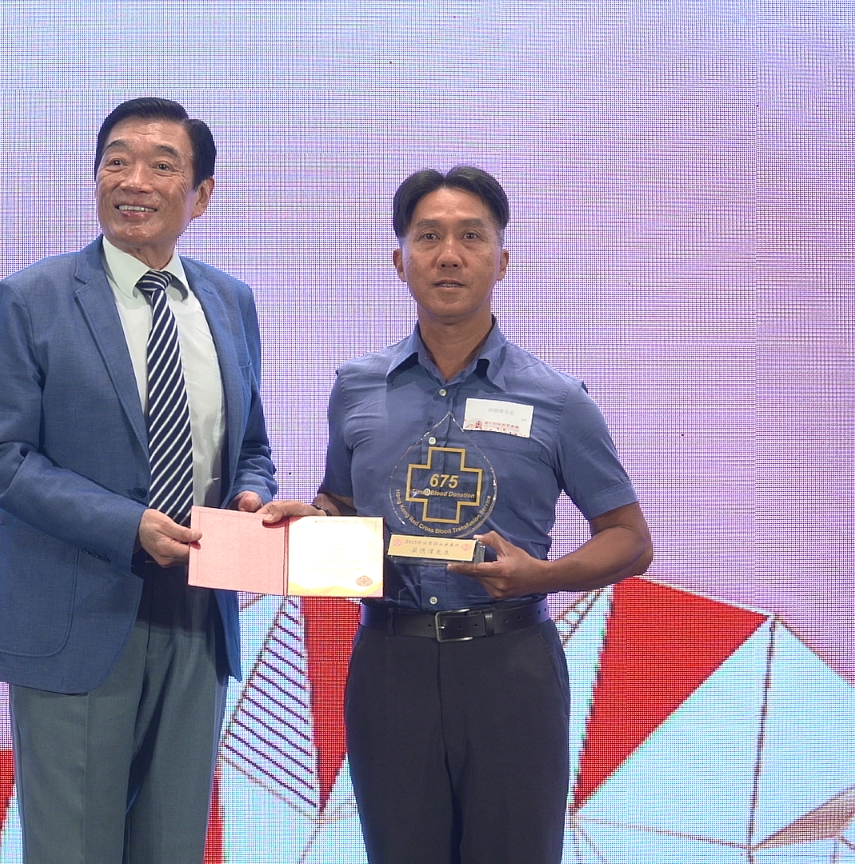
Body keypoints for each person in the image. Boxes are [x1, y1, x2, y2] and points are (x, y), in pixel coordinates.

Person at [260, 165, 653, 864]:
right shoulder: (356, 387)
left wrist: (545, 574)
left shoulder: (557, 398)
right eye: (429, 236)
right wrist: (311, 522)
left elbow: (629, 538)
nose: (449, 255)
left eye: (471, 237)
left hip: (511, 667)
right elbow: (341, 501)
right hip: (389, 664)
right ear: (399, 260)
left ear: (501, 260)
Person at [0, 98, 276, 864]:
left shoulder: (230, 303)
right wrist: (123, 525)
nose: (134, 180)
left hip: (200, 623)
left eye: (162, 165)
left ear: (200, 195)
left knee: (173, 849)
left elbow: (254, 448)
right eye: (117, 160)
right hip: (75, 617)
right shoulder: (30, 299)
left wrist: (252, 496)